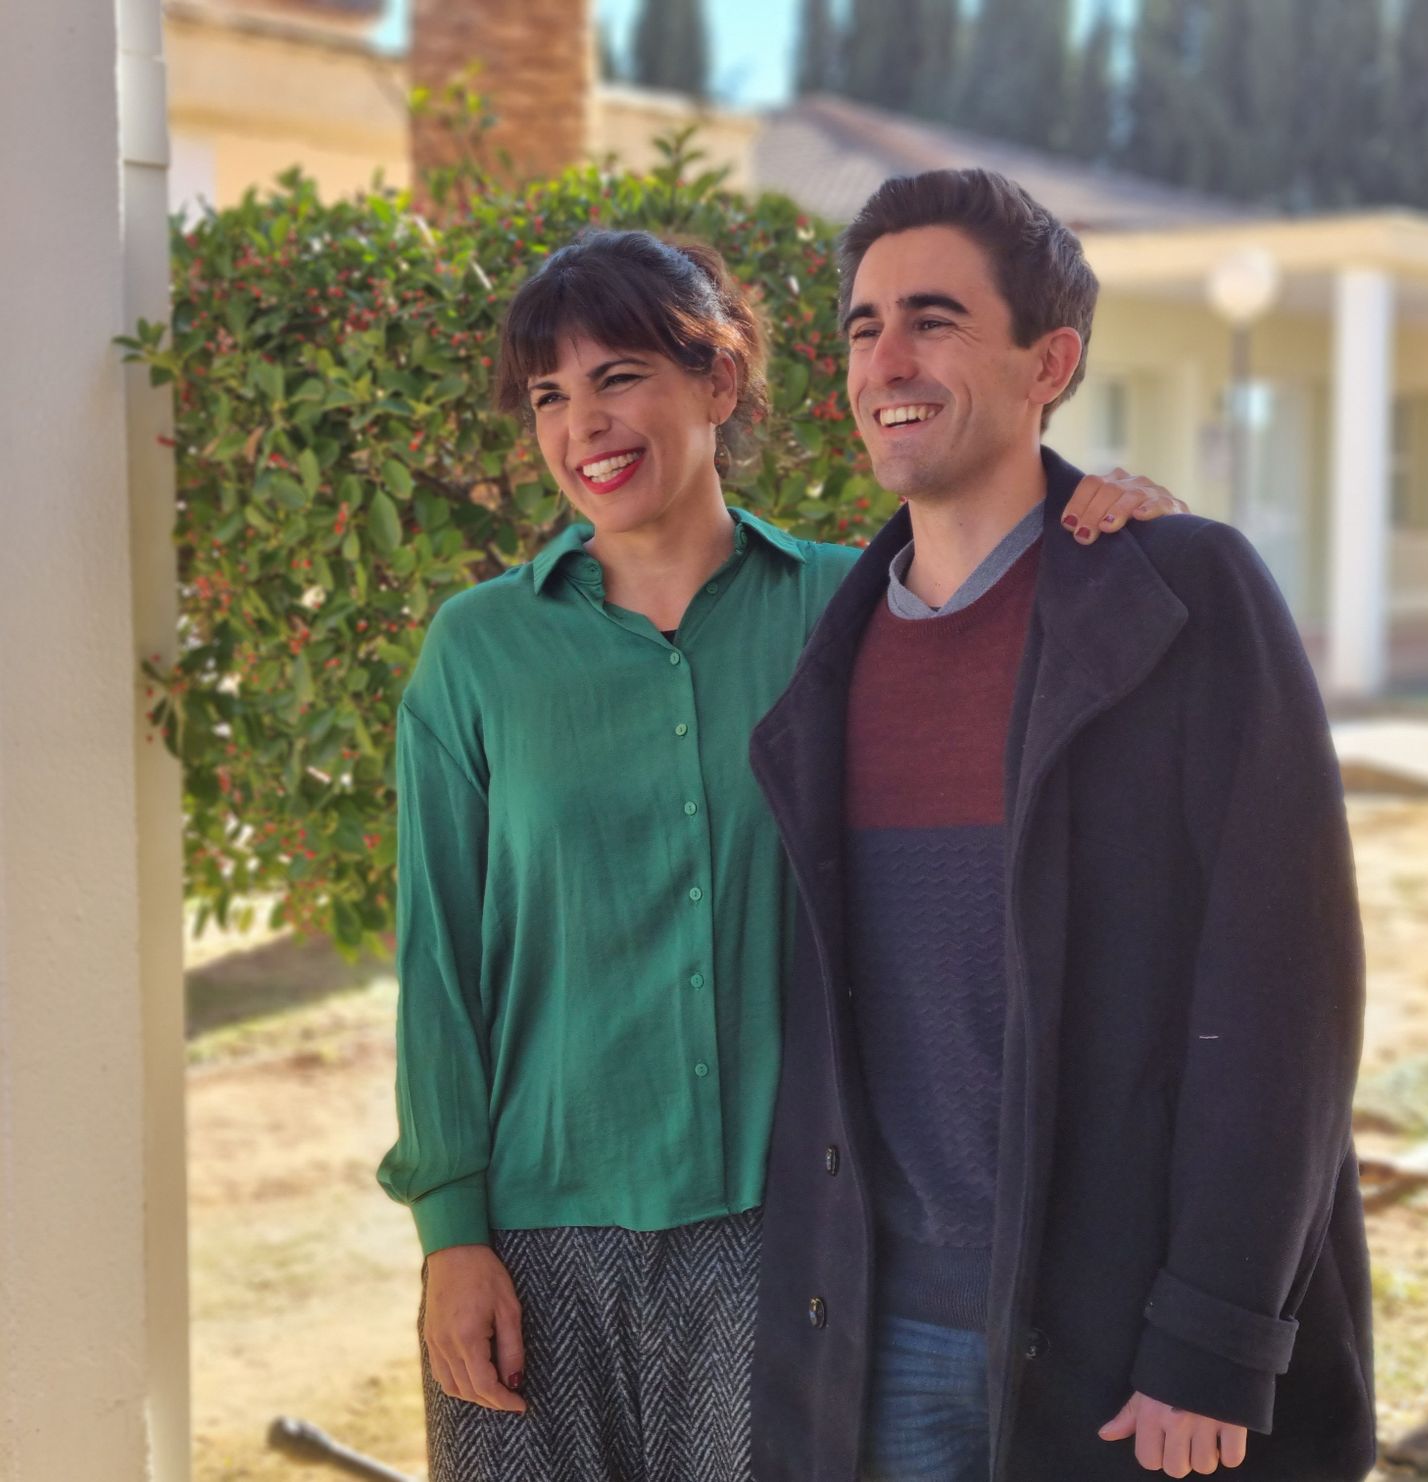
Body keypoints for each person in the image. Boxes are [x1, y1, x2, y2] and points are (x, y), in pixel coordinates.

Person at [374, 226, 1189, 1482]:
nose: (582, 423)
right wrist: (451, 1237)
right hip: (533, 1238)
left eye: (620, 375)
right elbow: (439, 966)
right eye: (549, 395)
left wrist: (1123, 516)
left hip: (786, 1232)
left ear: (718, 381)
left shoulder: (856, 603)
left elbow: (1026, 603)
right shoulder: (475, 654)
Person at [744, 169, 1376, 1482]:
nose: (887, 359)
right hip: (880, 1337)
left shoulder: (1183, 597)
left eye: (934, 319)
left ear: (1053, 360)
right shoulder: (830, 649)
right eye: (863, 326)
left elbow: (1284, 995)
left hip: (1116, 1347)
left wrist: (1211, 1337)